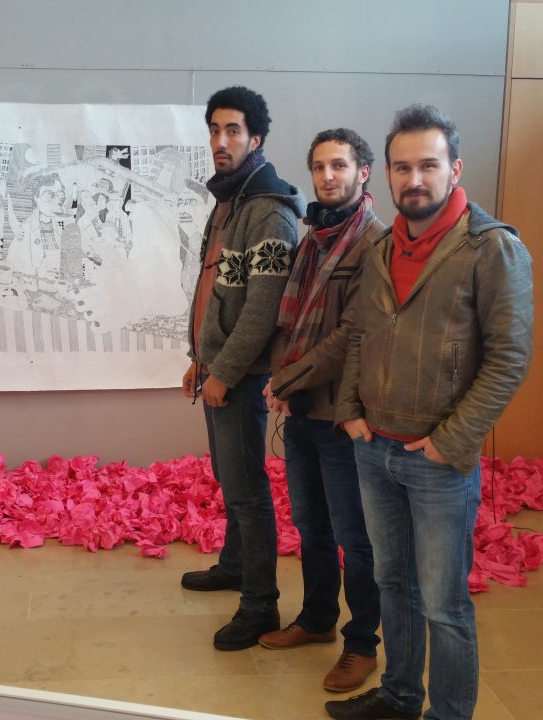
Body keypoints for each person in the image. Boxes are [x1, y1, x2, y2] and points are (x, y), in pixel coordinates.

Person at [326, 105, 533, 720]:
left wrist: (452, 440)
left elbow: (510, 358)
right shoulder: (381, 248)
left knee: (444, 605)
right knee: (393, 584)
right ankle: (399, 697)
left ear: (455, 169)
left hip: (438, 461)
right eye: (402, 167)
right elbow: (361, 335)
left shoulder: (492, 248)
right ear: (386, 174)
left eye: (428, 165)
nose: (414, 179)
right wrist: (350, 409)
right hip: (374, 450)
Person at [180, 86, 306, 650]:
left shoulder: (269, 211)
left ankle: (260, 605)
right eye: (214, 130)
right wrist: (199, 360)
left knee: (248, 491)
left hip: (242, 377)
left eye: (233, 130)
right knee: (231, 481)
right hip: (218, 368)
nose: (221, 141)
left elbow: (263, 308)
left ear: (256, 138)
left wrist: (225, 372)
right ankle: (234, 566)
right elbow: (216, 289)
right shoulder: (230, 201)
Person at [259, 129, 385, 693]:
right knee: (311, 527)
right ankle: (316, 620)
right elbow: (288, 324)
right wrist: (284, 382)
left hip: (343, 416)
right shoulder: (311, 239)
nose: (327, 176)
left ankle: (361, 645)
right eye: (318, 166)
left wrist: (287, 379)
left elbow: (351, 334)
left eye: (339, 165)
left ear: (363, 172)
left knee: (355, 538)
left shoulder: (373, 243)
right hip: (304, 411)